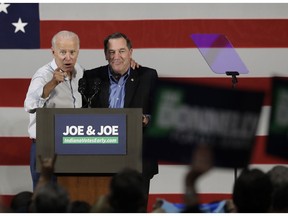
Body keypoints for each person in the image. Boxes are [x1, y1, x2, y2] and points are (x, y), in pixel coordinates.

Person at [82, 32, 159, 204]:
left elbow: (162, 117)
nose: (117, 56)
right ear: (105, 55)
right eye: (112, 52)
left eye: (122, 51)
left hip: (137, 158)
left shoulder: (148, 76)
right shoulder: (91, 77)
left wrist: (145, 119)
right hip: (101, 157)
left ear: (131, 52)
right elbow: (82, 112)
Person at [24, 30, 83, 190]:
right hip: (46, 148)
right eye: (63, 52)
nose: (68, 57)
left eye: (72, 52)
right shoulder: (43, 75)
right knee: (46, 202)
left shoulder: (80, 72)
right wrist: (51, 84)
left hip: (73, 145)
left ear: (78, 51)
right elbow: (29, 105)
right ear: (53, 52)